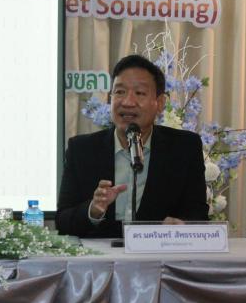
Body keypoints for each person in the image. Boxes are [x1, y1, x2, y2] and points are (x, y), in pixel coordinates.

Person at [56, 54, 208, 238]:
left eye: (140, 93)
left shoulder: (184, 148)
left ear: (160, 103)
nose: (127, 102)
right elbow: (62, 221)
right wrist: (93, 210)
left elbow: (198, 214)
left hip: (157, 253)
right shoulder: (82, 149)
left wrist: (181, 225)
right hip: (100, 255)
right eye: (120, 92)